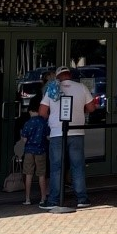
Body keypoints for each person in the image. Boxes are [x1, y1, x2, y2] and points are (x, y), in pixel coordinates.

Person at [40, 64, 97, 209]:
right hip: (77, 131)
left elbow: (42, 111)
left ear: (58, 76)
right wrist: (79, 110)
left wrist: (52, 117)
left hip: (57, 132)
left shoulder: (53, 89)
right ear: (69, 75)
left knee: (56, 167)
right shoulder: (81, 87)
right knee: (77, 166)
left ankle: (54, 200)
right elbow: (91, 108)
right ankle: (82, 199)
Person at [18, 99, 49, 207]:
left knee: (28, 174)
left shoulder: (28, 123)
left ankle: (27, 198)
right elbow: (48, 136)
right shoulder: (43, 122)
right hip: (41, 150)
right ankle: (43, 198)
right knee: (41, 175)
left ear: (30, 111)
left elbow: (24, 139)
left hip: (29, 151)